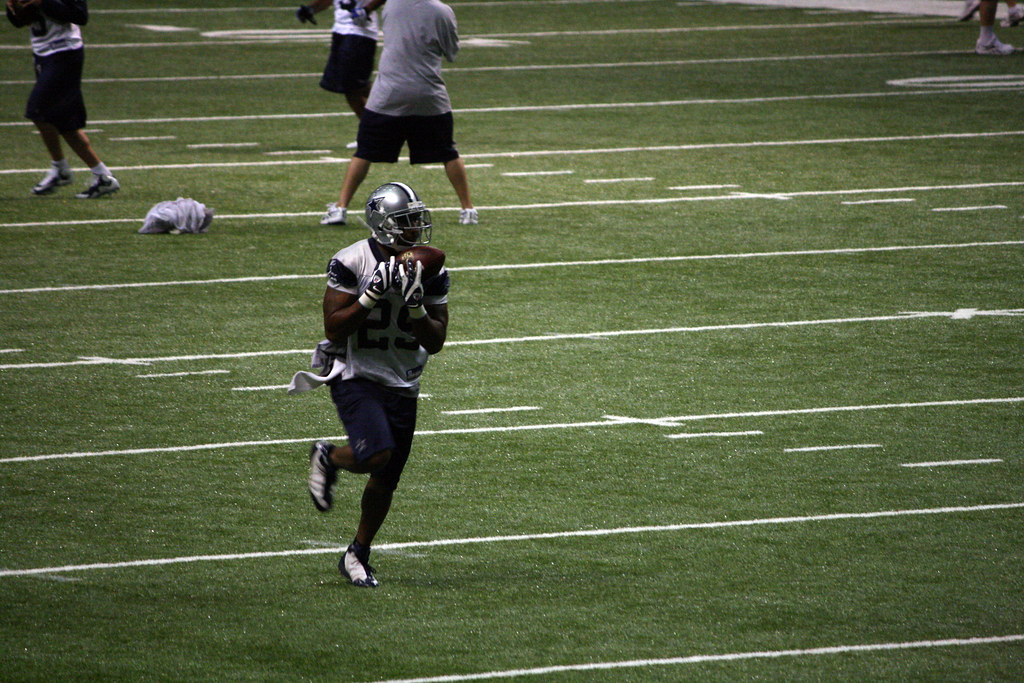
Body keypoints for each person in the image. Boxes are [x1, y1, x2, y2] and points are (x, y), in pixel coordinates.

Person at [297, 182, 449, 588]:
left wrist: (415, 307)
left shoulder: (430, 268)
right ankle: (329, 457)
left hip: (404, 378)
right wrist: (371, 296)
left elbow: (435, 341)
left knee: (387, 478)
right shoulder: (351, 261)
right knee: (378, 454)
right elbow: (333, 328)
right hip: (355, 371)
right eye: (406, 220)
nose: (416, 227)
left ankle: (357, 553)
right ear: (383, 223)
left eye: (416, 219)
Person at [319, 0, 477, 228]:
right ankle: (468, 209)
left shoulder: (392, 5)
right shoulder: (443, 11)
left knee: (363, 152)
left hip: (388, 93)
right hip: (428, 94)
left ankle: (340, 208)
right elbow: (451, 52)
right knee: (448, 153)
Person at [5, 0, 120, 197]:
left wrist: (44, 2)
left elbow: (80, 15)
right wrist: (14, 8)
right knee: (65, 123)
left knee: (38, 111)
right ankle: (103, 177)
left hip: (65, 52)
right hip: (43, 54)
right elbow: (22, 21)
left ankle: (60, 167)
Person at [295, 0, 385, 124]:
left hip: (360, 32)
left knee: (353, 86)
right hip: (340, 31)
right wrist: (312, 9)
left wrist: (367, 9)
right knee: (351, 87)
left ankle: (380, 126)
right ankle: (375, 130)